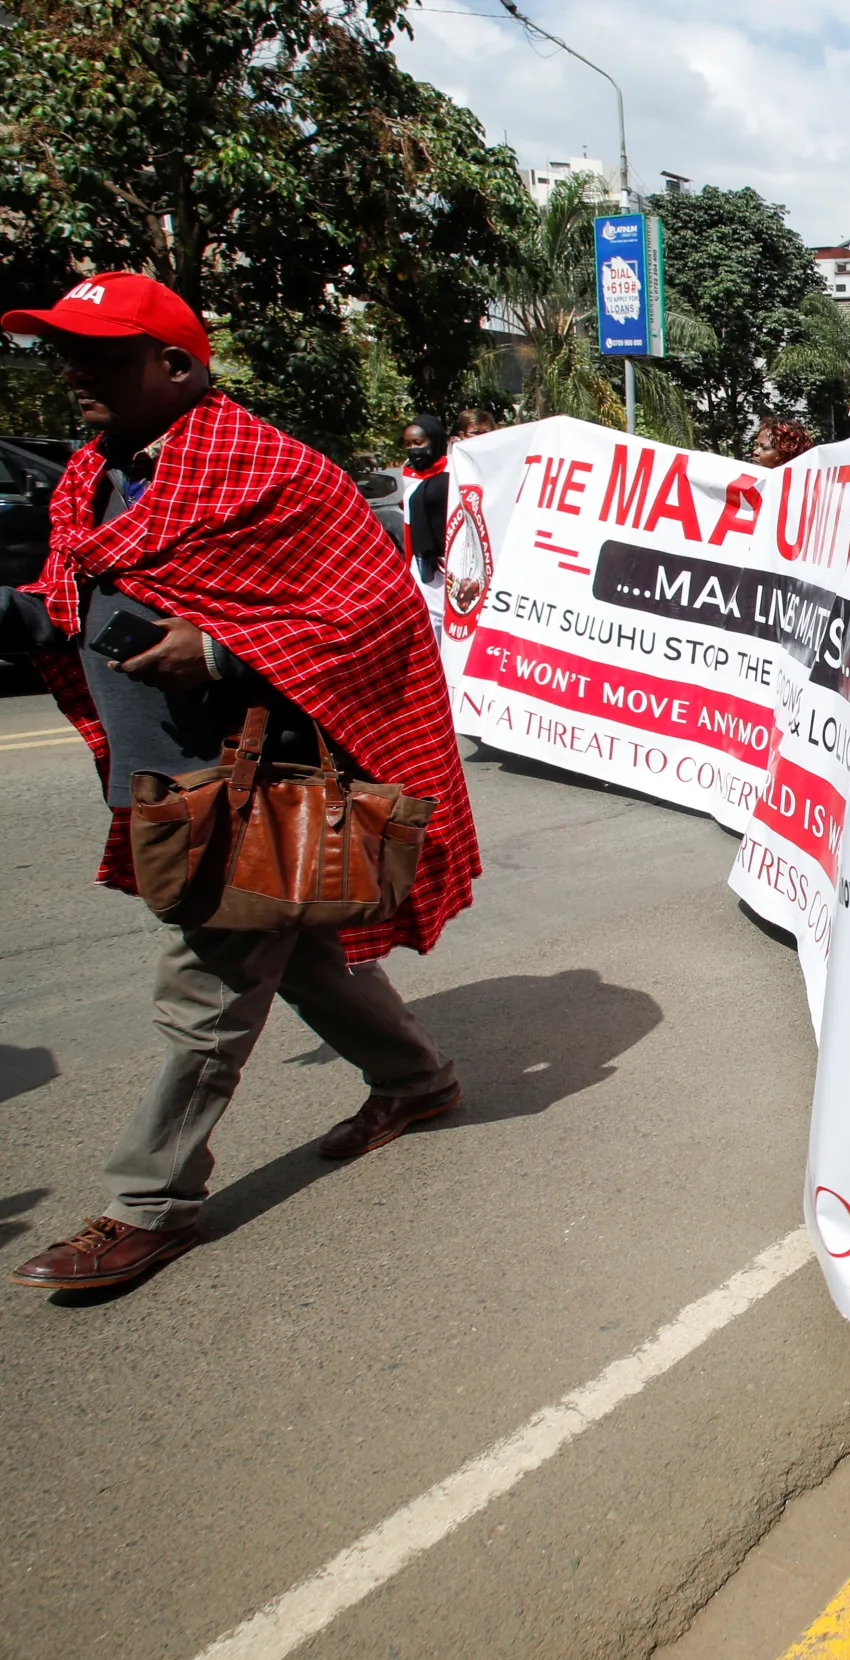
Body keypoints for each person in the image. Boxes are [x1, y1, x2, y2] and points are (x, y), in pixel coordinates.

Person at [0, 273, 480, 1293]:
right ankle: (418, 1080)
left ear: (176, 365)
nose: (74, 369)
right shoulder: (90, 476)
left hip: (244, 775)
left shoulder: (275, 472)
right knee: (303, 945)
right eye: (64, 349)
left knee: (207, 986)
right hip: (158, 775)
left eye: (101, 352)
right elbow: (70, 602)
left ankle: (149, 1203)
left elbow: (375, 615)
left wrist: (217, 652)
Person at [399, 414, 448, 585]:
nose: (413, 449)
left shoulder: (455, 471)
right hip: (422, 561)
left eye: (418, 443)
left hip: (451, 560)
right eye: (408, 444)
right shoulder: (409, 477)